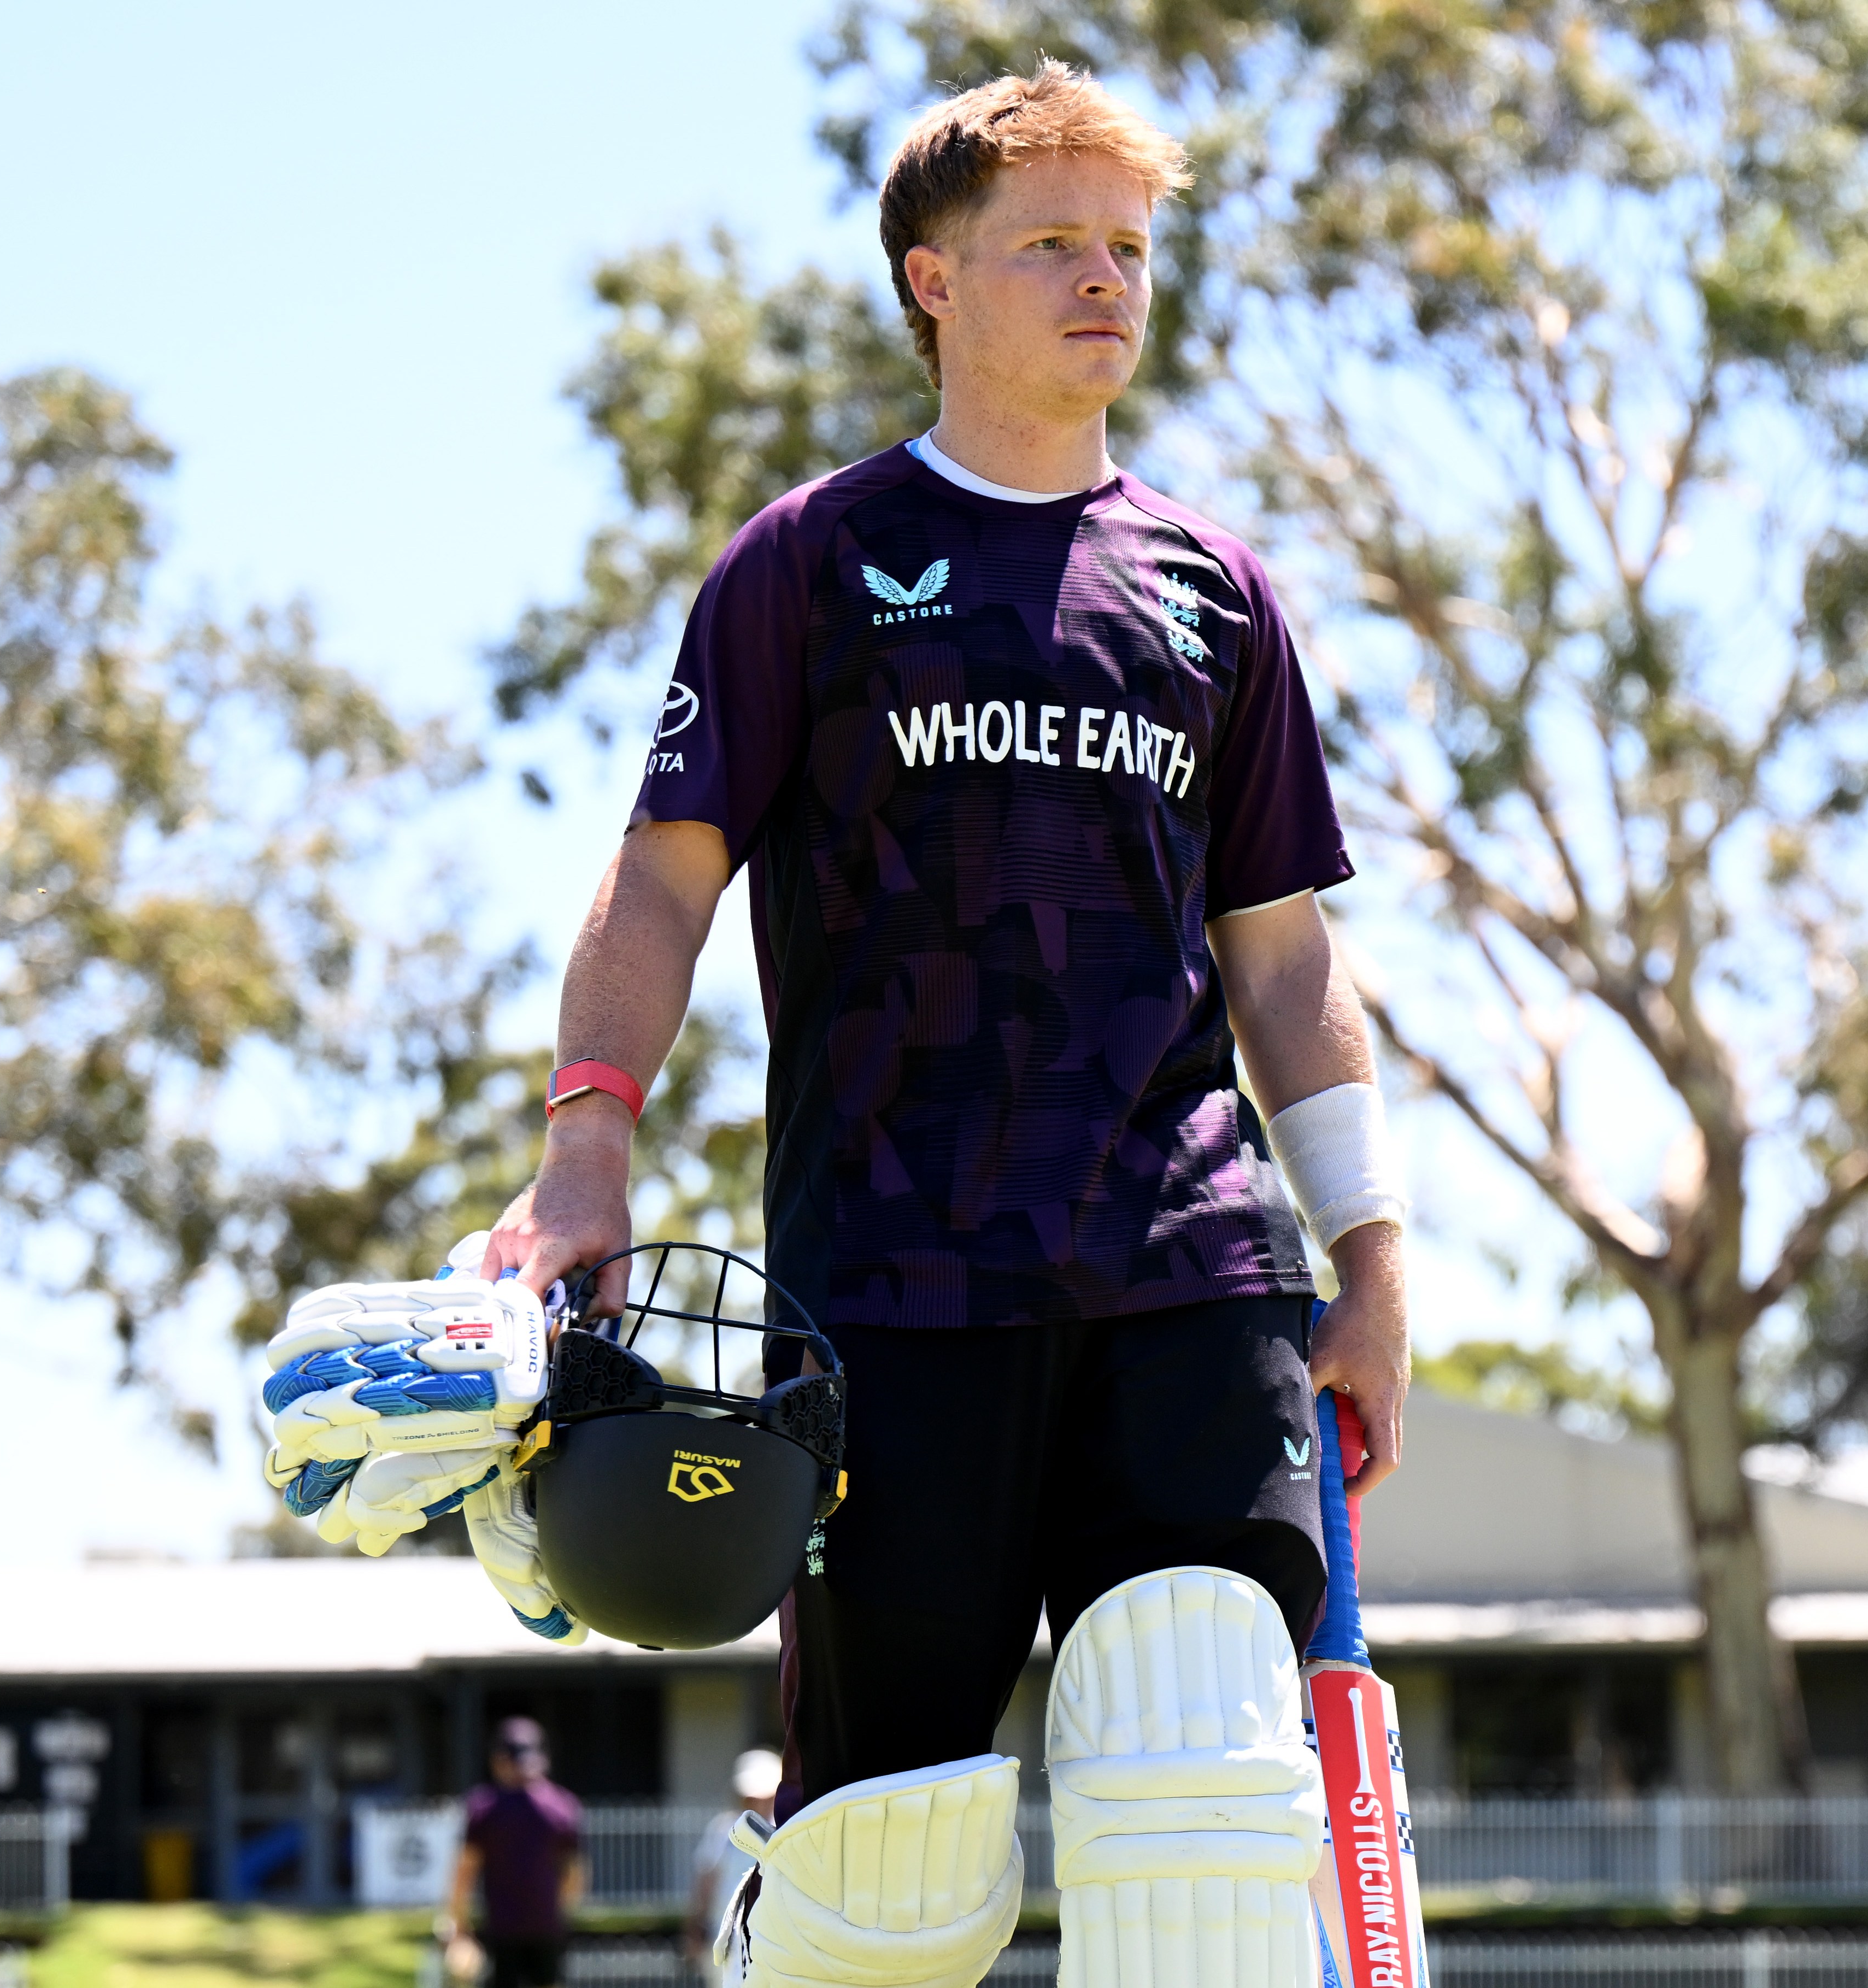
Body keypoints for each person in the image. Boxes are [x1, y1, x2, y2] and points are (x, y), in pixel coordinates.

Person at [484, 59, 1410, 1988]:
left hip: (1188, 1267)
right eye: (1051, 244)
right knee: (883, 1886)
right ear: (932, 276)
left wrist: (1374, 1253)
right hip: (893, 1290)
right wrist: (587, 1142)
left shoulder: (1215, 591)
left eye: (1131, 247)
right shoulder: (805, 564)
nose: (1108, 283)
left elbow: (1284, 947)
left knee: (1204, 1819)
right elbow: (661, 880)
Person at [438, 1718, 583, 1988]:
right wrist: (560, 1911)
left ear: (500, 1760)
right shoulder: (563, 1807)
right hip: (547, 1925)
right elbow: (576, 1874)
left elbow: (465, 1871)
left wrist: (457, 1924)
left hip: (501, 1927)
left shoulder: (484, 1808)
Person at [682, 1748, 782, 1987]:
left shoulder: (785, 1830)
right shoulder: (723, 1830)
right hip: (728, 1943)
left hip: (775, 1943)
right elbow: (705, 1884)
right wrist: (695, 1931)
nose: (756, 1802)